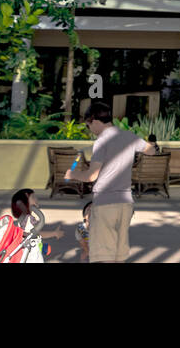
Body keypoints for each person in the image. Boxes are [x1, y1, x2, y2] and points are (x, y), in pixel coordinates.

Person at [65, 102, 156, 262]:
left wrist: (72, 174)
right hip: (126, 204)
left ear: (94, 120)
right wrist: (153, 144)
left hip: (106, 203)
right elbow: (151, 150)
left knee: (103, 254)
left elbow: (91, 176)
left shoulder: (102, 141)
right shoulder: (129, 136)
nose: (90, 130)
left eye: (88, 126)